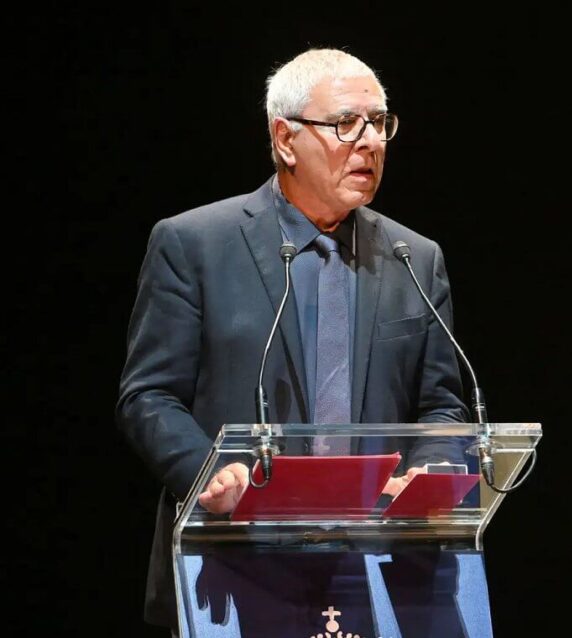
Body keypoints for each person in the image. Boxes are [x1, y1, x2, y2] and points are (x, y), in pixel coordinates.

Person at [116, 48, 469, 631]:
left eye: (380, 123)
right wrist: (210, 474)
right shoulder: (194, 244)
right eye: (346, 124)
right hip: (234, 563)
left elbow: (441, 405)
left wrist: (430, 469)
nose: (371, 142)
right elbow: (148, 396)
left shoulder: (415, 257)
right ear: (285, 138)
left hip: (378, 568)